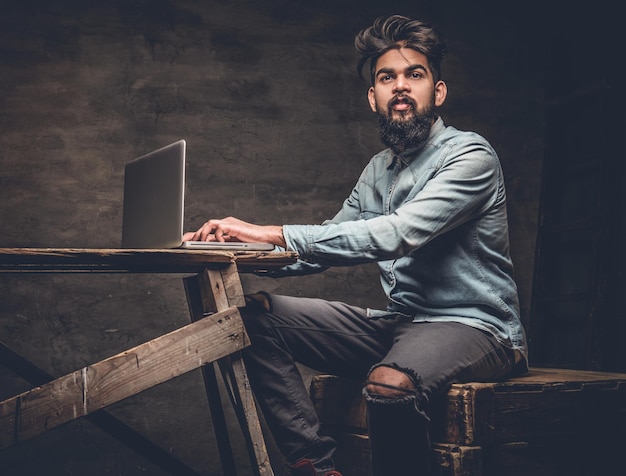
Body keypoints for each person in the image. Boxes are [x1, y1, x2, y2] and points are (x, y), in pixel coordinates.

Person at [184, 14, 528, 476]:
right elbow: (320, 248)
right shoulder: (377, 171)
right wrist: (229, 249)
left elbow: (395, 234)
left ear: (437, 91)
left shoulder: (470, 156)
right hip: (401, 323)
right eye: (388, 77)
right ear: (374, 97)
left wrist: (272, 231)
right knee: (250, 320)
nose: (401, 86)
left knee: (389, 384)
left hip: (478, 328)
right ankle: (319, 469)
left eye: (415, 75)